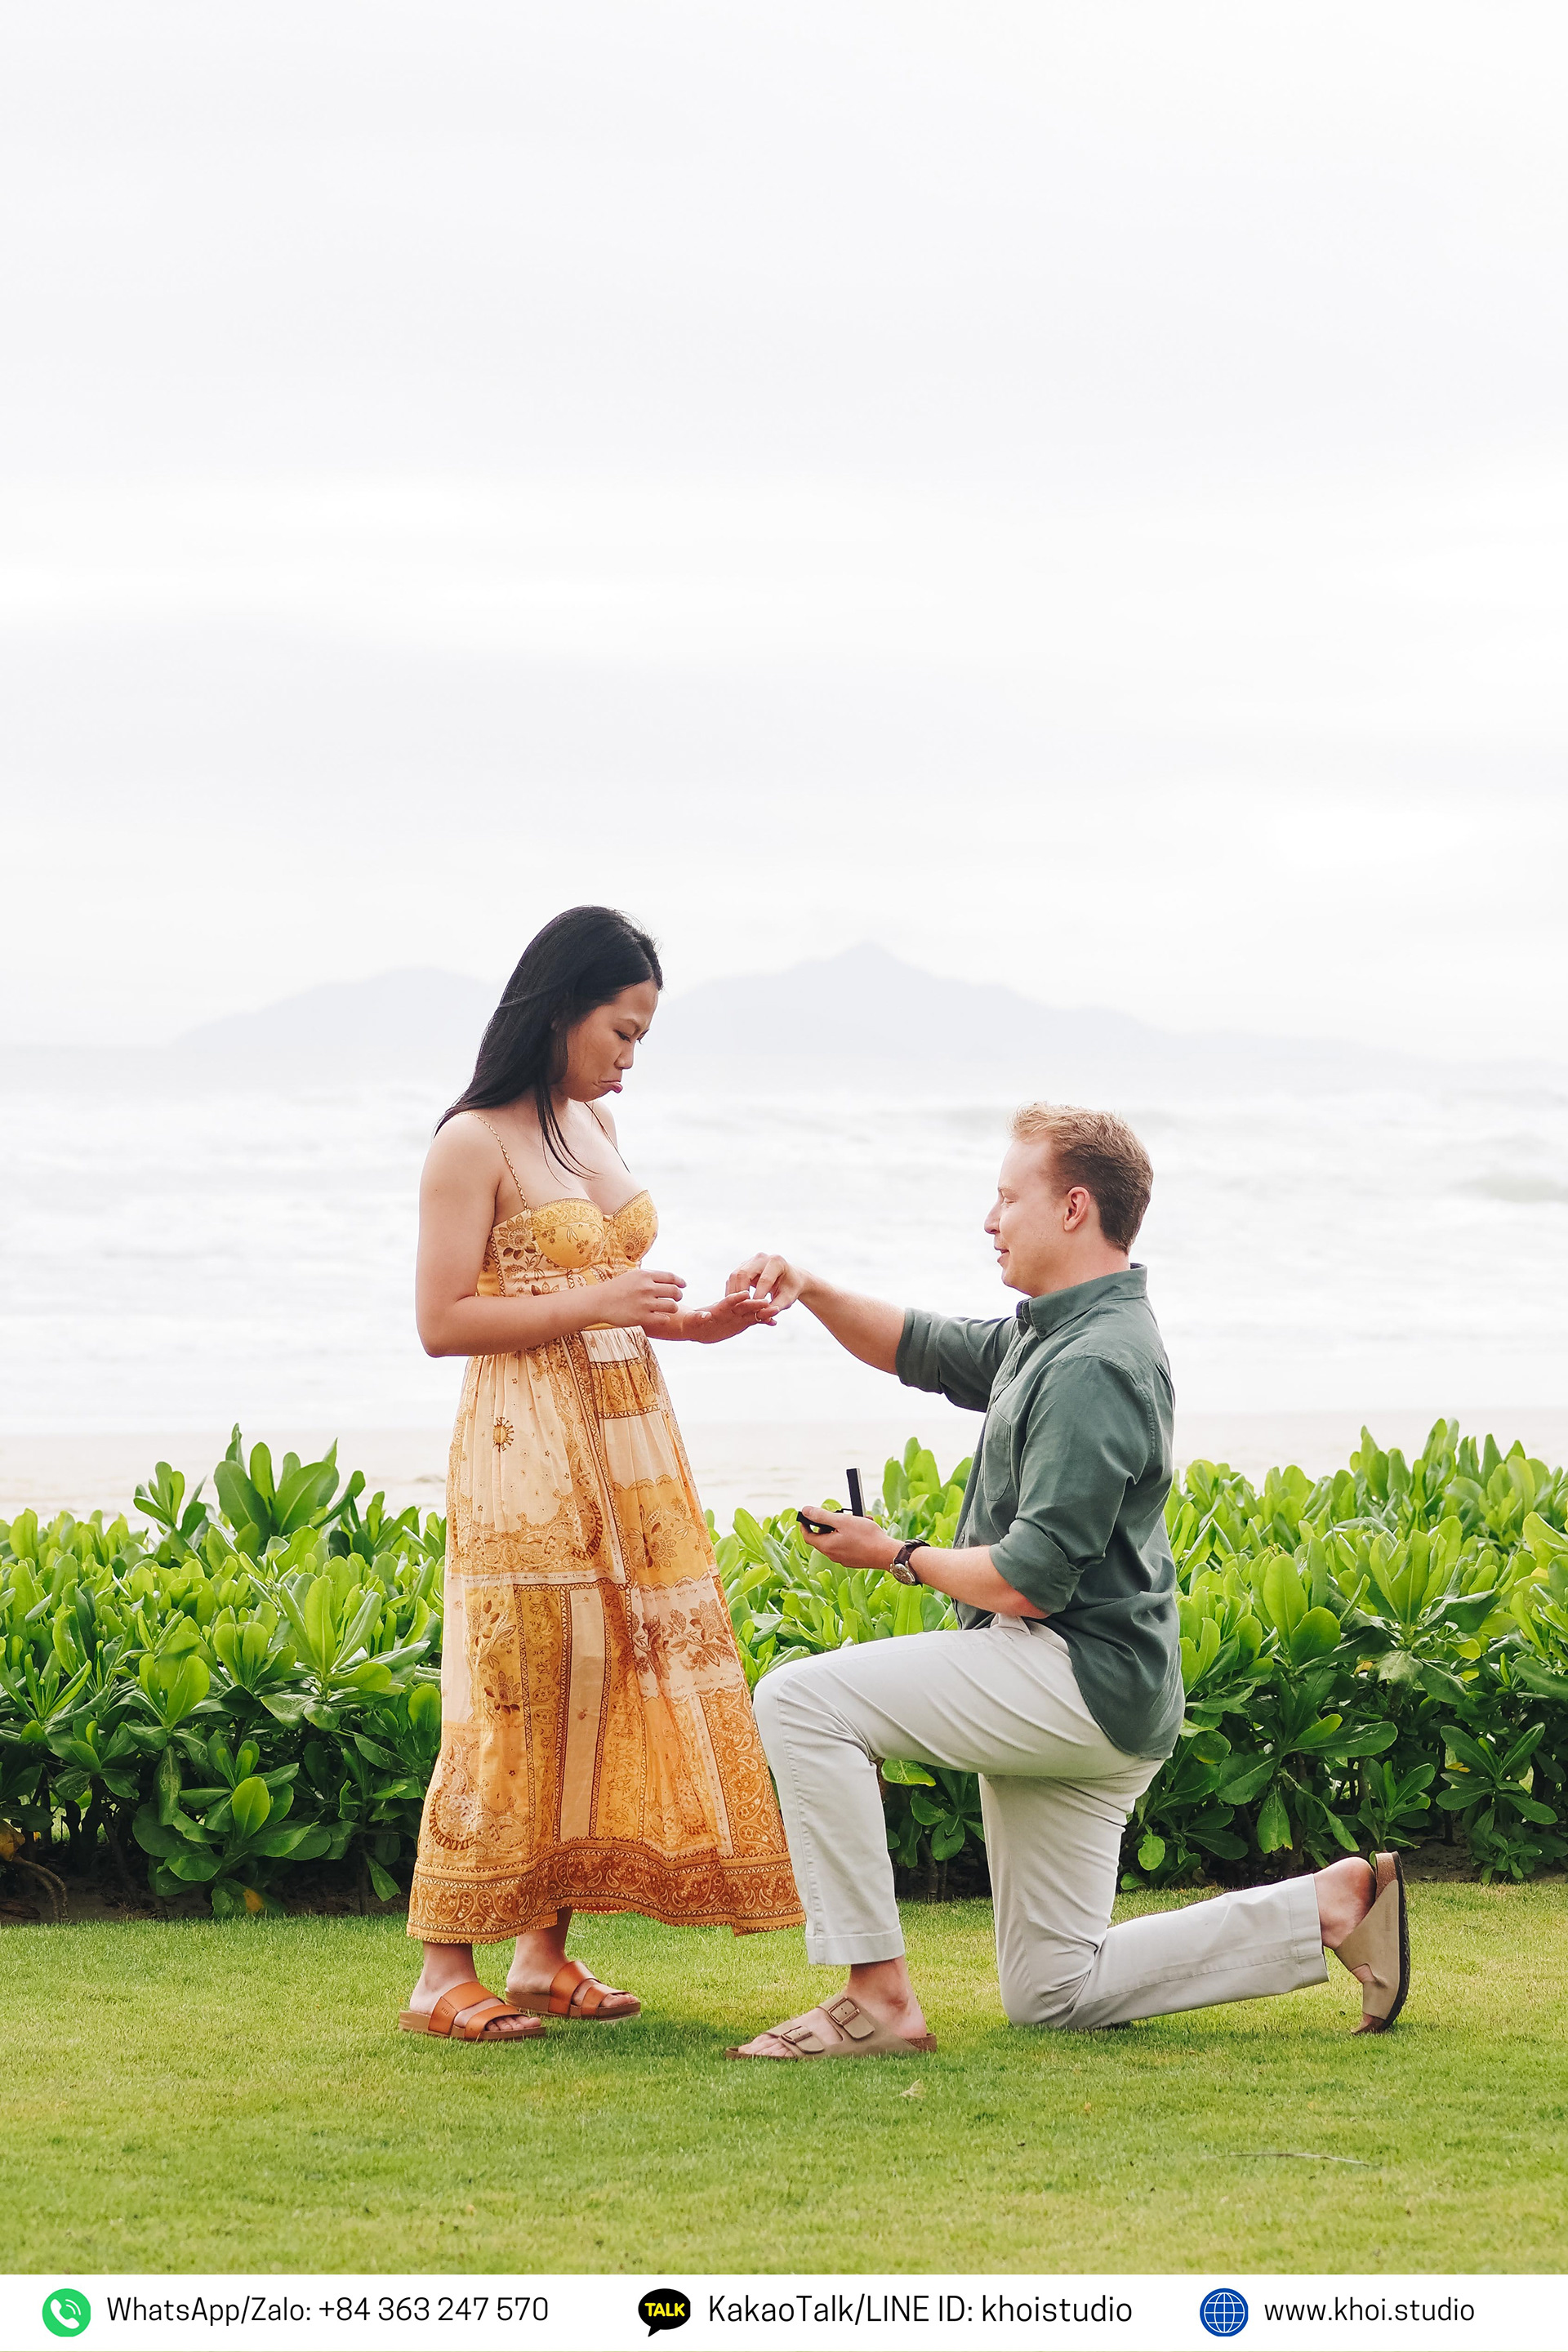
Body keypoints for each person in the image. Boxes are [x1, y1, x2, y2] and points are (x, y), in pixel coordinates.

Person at [723, 1102, 1410, 2060]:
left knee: (800, 1701)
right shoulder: (1053, 1334)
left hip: (1069, 1675)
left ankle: (874, 2000)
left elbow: (1029, 1583)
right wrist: (808, 1287)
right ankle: (1334, 1906)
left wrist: (895, 1553)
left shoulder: (1097, 1363)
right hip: (1094, 1691)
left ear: (1075, 1207)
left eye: (1009, 1197)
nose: (990, 1218)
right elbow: (919, 1346)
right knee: (1055, 1991)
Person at [399, 906, 802, 2045]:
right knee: (514, 1688)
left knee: (606, 1675)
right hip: (524, 1449)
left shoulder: (588, 1123)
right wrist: (600, 1303)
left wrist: (707, 1322)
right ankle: (442, 1969)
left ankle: (542, 1954)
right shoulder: (470, 1143)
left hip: (629, 1444)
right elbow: (441, 1319)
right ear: (563, 1007)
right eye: (620, 1031)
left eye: (641, 1038)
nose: (629, 1058)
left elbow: (618, 1300)